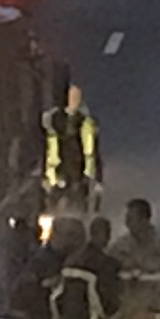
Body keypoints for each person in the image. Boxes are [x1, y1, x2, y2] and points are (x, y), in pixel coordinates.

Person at [39, 69, 102, 219]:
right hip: (60, 176)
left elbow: (92, 153)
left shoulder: (84, 124)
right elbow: (49, 152)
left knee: (77, 209)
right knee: (54, 210)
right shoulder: (53, 122)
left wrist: (95, 179)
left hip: (78, 178)